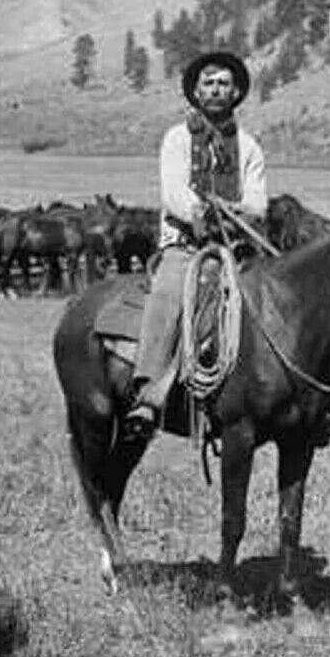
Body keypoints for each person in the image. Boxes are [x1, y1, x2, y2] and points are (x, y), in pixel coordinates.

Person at [123, 50, 268, 440]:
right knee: (168, 295)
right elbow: (173, 194)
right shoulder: (177, 138)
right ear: (196, 91)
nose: (217, 89)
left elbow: (258, 200)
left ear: (235, 91)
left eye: (223, 83)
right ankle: (149, 393)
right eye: (209, 83)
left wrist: (239, 211)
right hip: (186, 245)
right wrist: (203, 211)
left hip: (236, 247)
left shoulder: (250, 146)